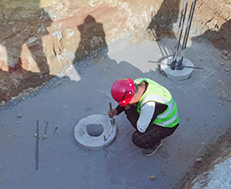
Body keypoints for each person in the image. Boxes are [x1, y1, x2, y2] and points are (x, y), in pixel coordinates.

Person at [108, 78, 179, 156]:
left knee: (138, 139)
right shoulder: (138, 83)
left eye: (126, 103)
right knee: (133, 107)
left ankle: (156, 142)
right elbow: (128, 98)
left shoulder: (150, 104)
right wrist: (117, 110)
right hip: (157, 112)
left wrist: (128, 109)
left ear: (134, 97)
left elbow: (141, 128)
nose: (125, 105)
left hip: (167, 125)